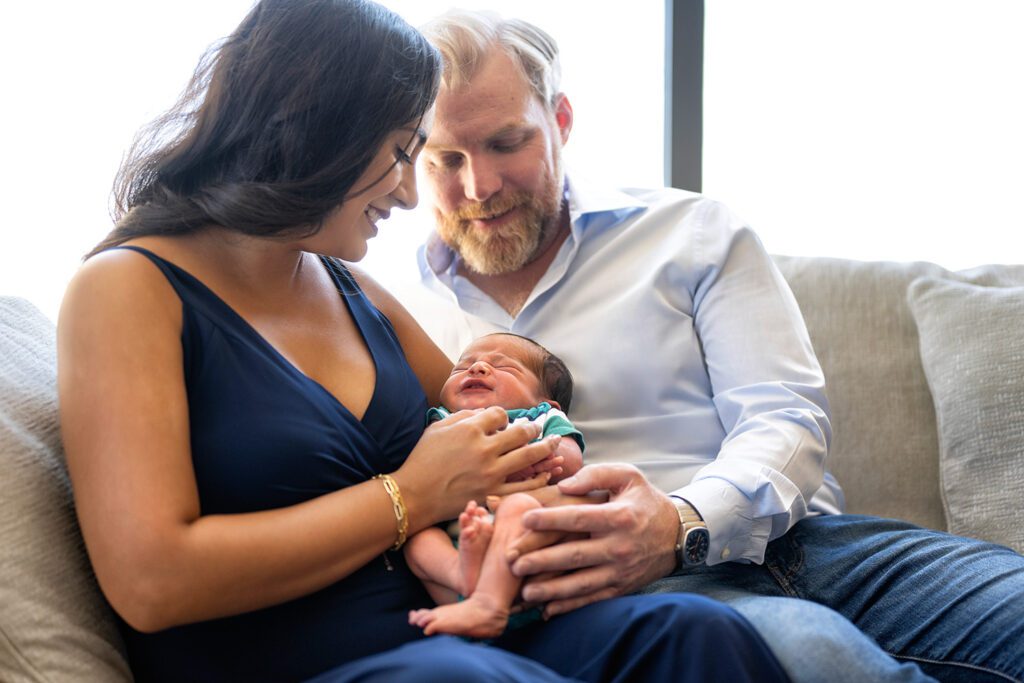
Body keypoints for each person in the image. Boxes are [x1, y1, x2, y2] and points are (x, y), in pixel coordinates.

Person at [56, 1, 791, 682]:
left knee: (691, 630)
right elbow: (151, 581)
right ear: (320, 131)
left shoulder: (348, 287)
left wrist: (551, 480)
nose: (410, 193)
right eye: (404, 151)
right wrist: (407, 496)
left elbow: (496, 432)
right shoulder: (127, 288)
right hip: (313, 663)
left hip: (450, 636)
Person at [410, 9, 1024, 683]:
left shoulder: (691, 232)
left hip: (814, 547)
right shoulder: (406, 318)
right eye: (447, 158)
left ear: (559, 121)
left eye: (506, 142)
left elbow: (783, 416)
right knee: (822, 660)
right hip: (653, 598)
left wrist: (680, 523)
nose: (480, 186)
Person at [405, 332, 585, 637]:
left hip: (526, 554)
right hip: (461, 550)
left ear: (544, 399)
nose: (477, 368)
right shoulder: (442, 419)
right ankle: (463, 578)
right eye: (462, 367)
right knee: (416, 540)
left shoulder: (538, 417)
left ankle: (489, 603)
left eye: (505, 367)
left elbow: (570, 460)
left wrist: (520, 462)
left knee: (519, 506)